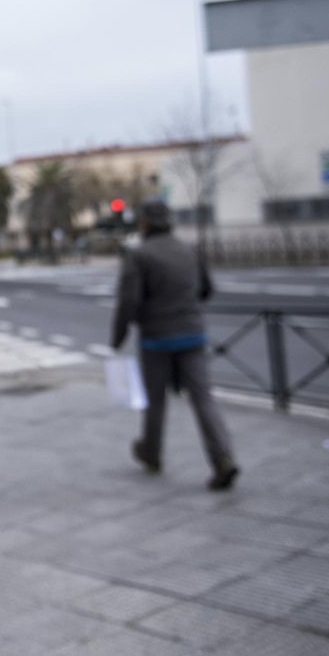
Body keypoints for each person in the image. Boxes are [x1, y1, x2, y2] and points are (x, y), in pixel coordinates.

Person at [110, 200, 239, 491]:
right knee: (203, 398)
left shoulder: (138, 255)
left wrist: (118, 338)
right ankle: (222, 458)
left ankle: (152, 453)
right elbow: (206, 289)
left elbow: (128, 302)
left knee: (155, 401)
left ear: (144, 222)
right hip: (193, 335)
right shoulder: (190, 250)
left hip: (156, 339)